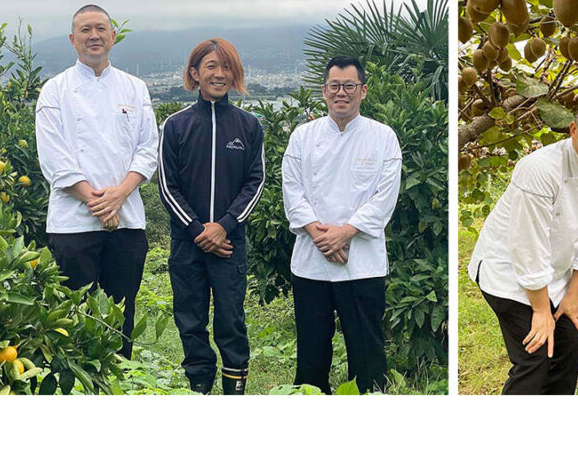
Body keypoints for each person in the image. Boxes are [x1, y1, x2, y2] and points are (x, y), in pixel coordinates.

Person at [467, 100, 578, 395]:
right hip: (507, 273)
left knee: (567, 345)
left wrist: (572, 295)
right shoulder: (539, 168)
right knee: (534, 356)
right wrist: (541, 311)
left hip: (551, 277)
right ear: (574, 129)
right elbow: (528, 245)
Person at [35, 4, 158, 359]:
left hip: (128, 224)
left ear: (113, 35)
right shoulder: (55, 91)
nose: (94, 36)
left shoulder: (135, 88)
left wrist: (118, 196)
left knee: (121, 318)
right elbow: (55, 160)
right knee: (74, 321)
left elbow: (147, 151)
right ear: (73, 40)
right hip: (73, 227)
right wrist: (99, 203)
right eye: (85, 30)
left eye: (100, 29)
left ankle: (120, 388)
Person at [281, 56, 401, 394]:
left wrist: (346, 232)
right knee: (311, 352)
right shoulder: (303, 136)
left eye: (349, 86)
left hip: (361, 264)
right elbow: (292, 190)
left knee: (367, 354)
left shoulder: (383, 137)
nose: (341, 93)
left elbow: (384, 197)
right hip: (312, 264)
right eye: (334, 86)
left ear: (363, 91)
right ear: (323, 91)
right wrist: (322, 237)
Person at [157, 39, 264, 395]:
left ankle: (234, 394)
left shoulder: (248, 125)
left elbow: (255, 181)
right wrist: (198, 230)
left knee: (232, 321)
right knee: (190, 321)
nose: (219, 74)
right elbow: (167, 185)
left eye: (227, 67)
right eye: (211, 67)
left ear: (235, 74)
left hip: (230, 245)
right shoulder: (175, 125)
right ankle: (199, 389)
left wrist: (224, 227)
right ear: (194, 74)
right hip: (187, 245)